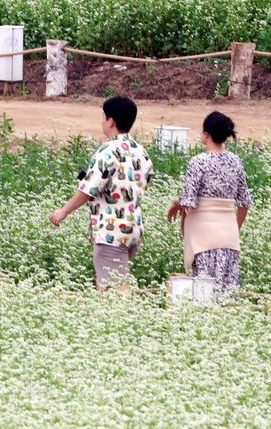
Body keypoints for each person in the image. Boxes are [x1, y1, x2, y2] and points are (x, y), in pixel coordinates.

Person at [50, 96, 154, 289]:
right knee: (105, 280)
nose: (102, 122)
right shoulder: (141, 151)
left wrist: (63, 211)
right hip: (133, 228)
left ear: (111, 121)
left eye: (103, 117)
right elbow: (145, 181)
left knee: (113, 287)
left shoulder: (107, 152)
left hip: (111, 232)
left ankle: (122, 318)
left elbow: (89, 188)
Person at [166, 111, 252, 292]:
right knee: (226, 297)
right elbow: (245, 202)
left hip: (203, 240)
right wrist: (233, 229)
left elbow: (188, 200)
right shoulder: (236, 161)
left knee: (204, 296)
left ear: (206, 134)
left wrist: (175, 203)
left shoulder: (198, 162)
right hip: (229, 239)